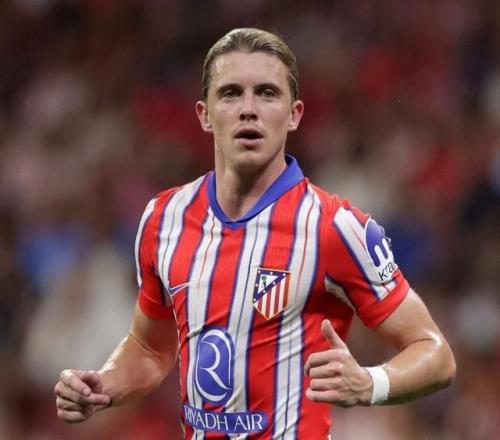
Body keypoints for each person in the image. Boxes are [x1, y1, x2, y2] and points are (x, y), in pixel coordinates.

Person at [54, 28, 456, 439]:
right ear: (204, 115)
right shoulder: (164, 218)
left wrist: (371, 383)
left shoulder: (333, 226)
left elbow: (436, 354)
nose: (249, 109)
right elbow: (150, 348)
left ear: (294, 114)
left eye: (267, 93)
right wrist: (103, 385)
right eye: (231, 93)